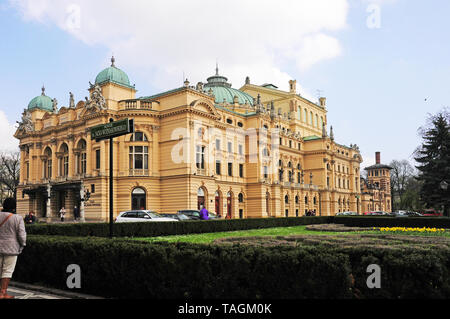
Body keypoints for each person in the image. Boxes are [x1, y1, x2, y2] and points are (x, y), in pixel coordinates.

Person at [0, 198, 26, 299]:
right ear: (14, 207)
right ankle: (3, 293)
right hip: (11, 248)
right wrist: (23, 244)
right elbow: (21, 235)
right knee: (7, 270)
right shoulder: (17, 218)